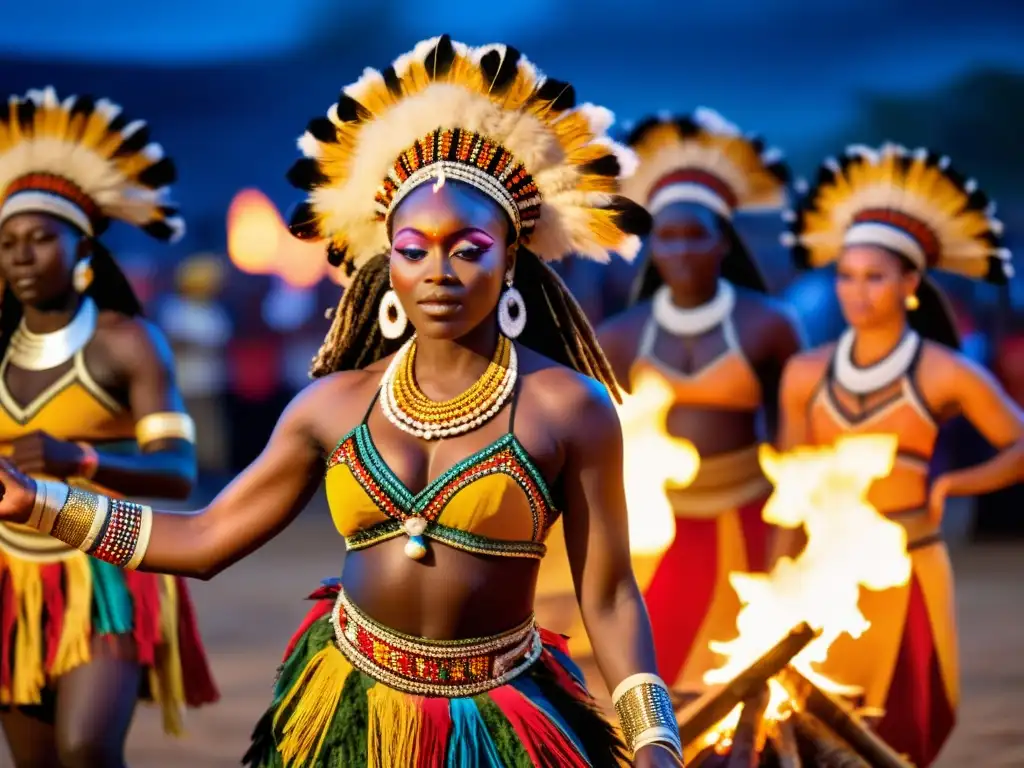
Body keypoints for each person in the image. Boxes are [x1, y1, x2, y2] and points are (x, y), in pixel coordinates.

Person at [0, 39, 685, 767]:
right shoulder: (332, 406)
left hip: (503, 715)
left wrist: (655, 738)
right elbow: (203, 541)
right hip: (347, 711)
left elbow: (609, 596)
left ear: (510, 257)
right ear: (385, 261)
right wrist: (37, 503)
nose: (438, 272)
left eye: (468, 247)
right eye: (413, 249)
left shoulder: (566, 406)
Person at [775, 143, 1023, 767]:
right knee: (819, 720)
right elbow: (789, 486)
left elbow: (1019, 441)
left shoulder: (944, 371)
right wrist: (779, 579)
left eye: (875, 276)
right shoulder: (805, 373)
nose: (858, 292)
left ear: (911, 284)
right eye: (847, 275)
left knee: (909, 722)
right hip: (824, 569)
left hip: (909, 567)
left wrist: (953, 487)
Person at [0, 88, 219, 766]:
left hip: (108, 573)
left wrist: (80, 460)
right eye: (8, 243)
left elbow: (179, 472)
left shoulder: (129, 344)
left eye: (42, 239)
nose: (24, 256)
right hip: (12, 576)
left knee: (87, 749)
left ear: (83, 250)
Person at [596, 110, 802, 692]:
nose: (682, 250)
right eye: (668, 236)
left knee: (771, 662)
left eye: (697, 236)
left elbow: (799, 429)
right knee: (662, 665)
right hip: (668, 525)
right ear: (651, 246)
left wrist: (801, 521)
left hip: (756, 512)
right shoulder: (621, 335)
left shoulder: (769, 325)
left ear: (723, 243)